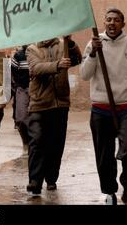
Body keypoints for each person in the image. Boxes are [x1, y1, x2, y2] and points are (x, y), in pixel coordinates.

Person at [80, 8, 127, 205]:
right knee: (104, 156)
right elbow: (85, 74)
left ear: (123, 23)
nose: (112, 23)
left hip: (125, 109)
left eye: (116, 20)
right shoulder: (95, 43)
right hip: (100, 109)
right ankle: (110, 193)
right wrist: (94, 54)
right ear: (104, 23)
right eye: (108, 20)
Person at [25, 35, 82, 196]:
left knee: (56, 144)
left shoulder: (63, 44)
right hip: (39, 103)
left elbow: (77, 59)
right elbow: (35, 68)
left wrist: (70, 43)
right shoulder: (32, 48)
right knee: (36, 142)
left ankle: (51, 178)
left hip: (60, 103)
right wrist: (57, 65)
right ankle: (35, 181)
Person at [11, 45, 31, 157]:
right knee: (21, 119)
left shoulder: (37, 53)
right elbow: (13, 72)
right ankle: (25, 142)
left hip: (37, 90)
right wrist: (18, 85)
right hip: (22, 89)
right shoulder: (18, 55)